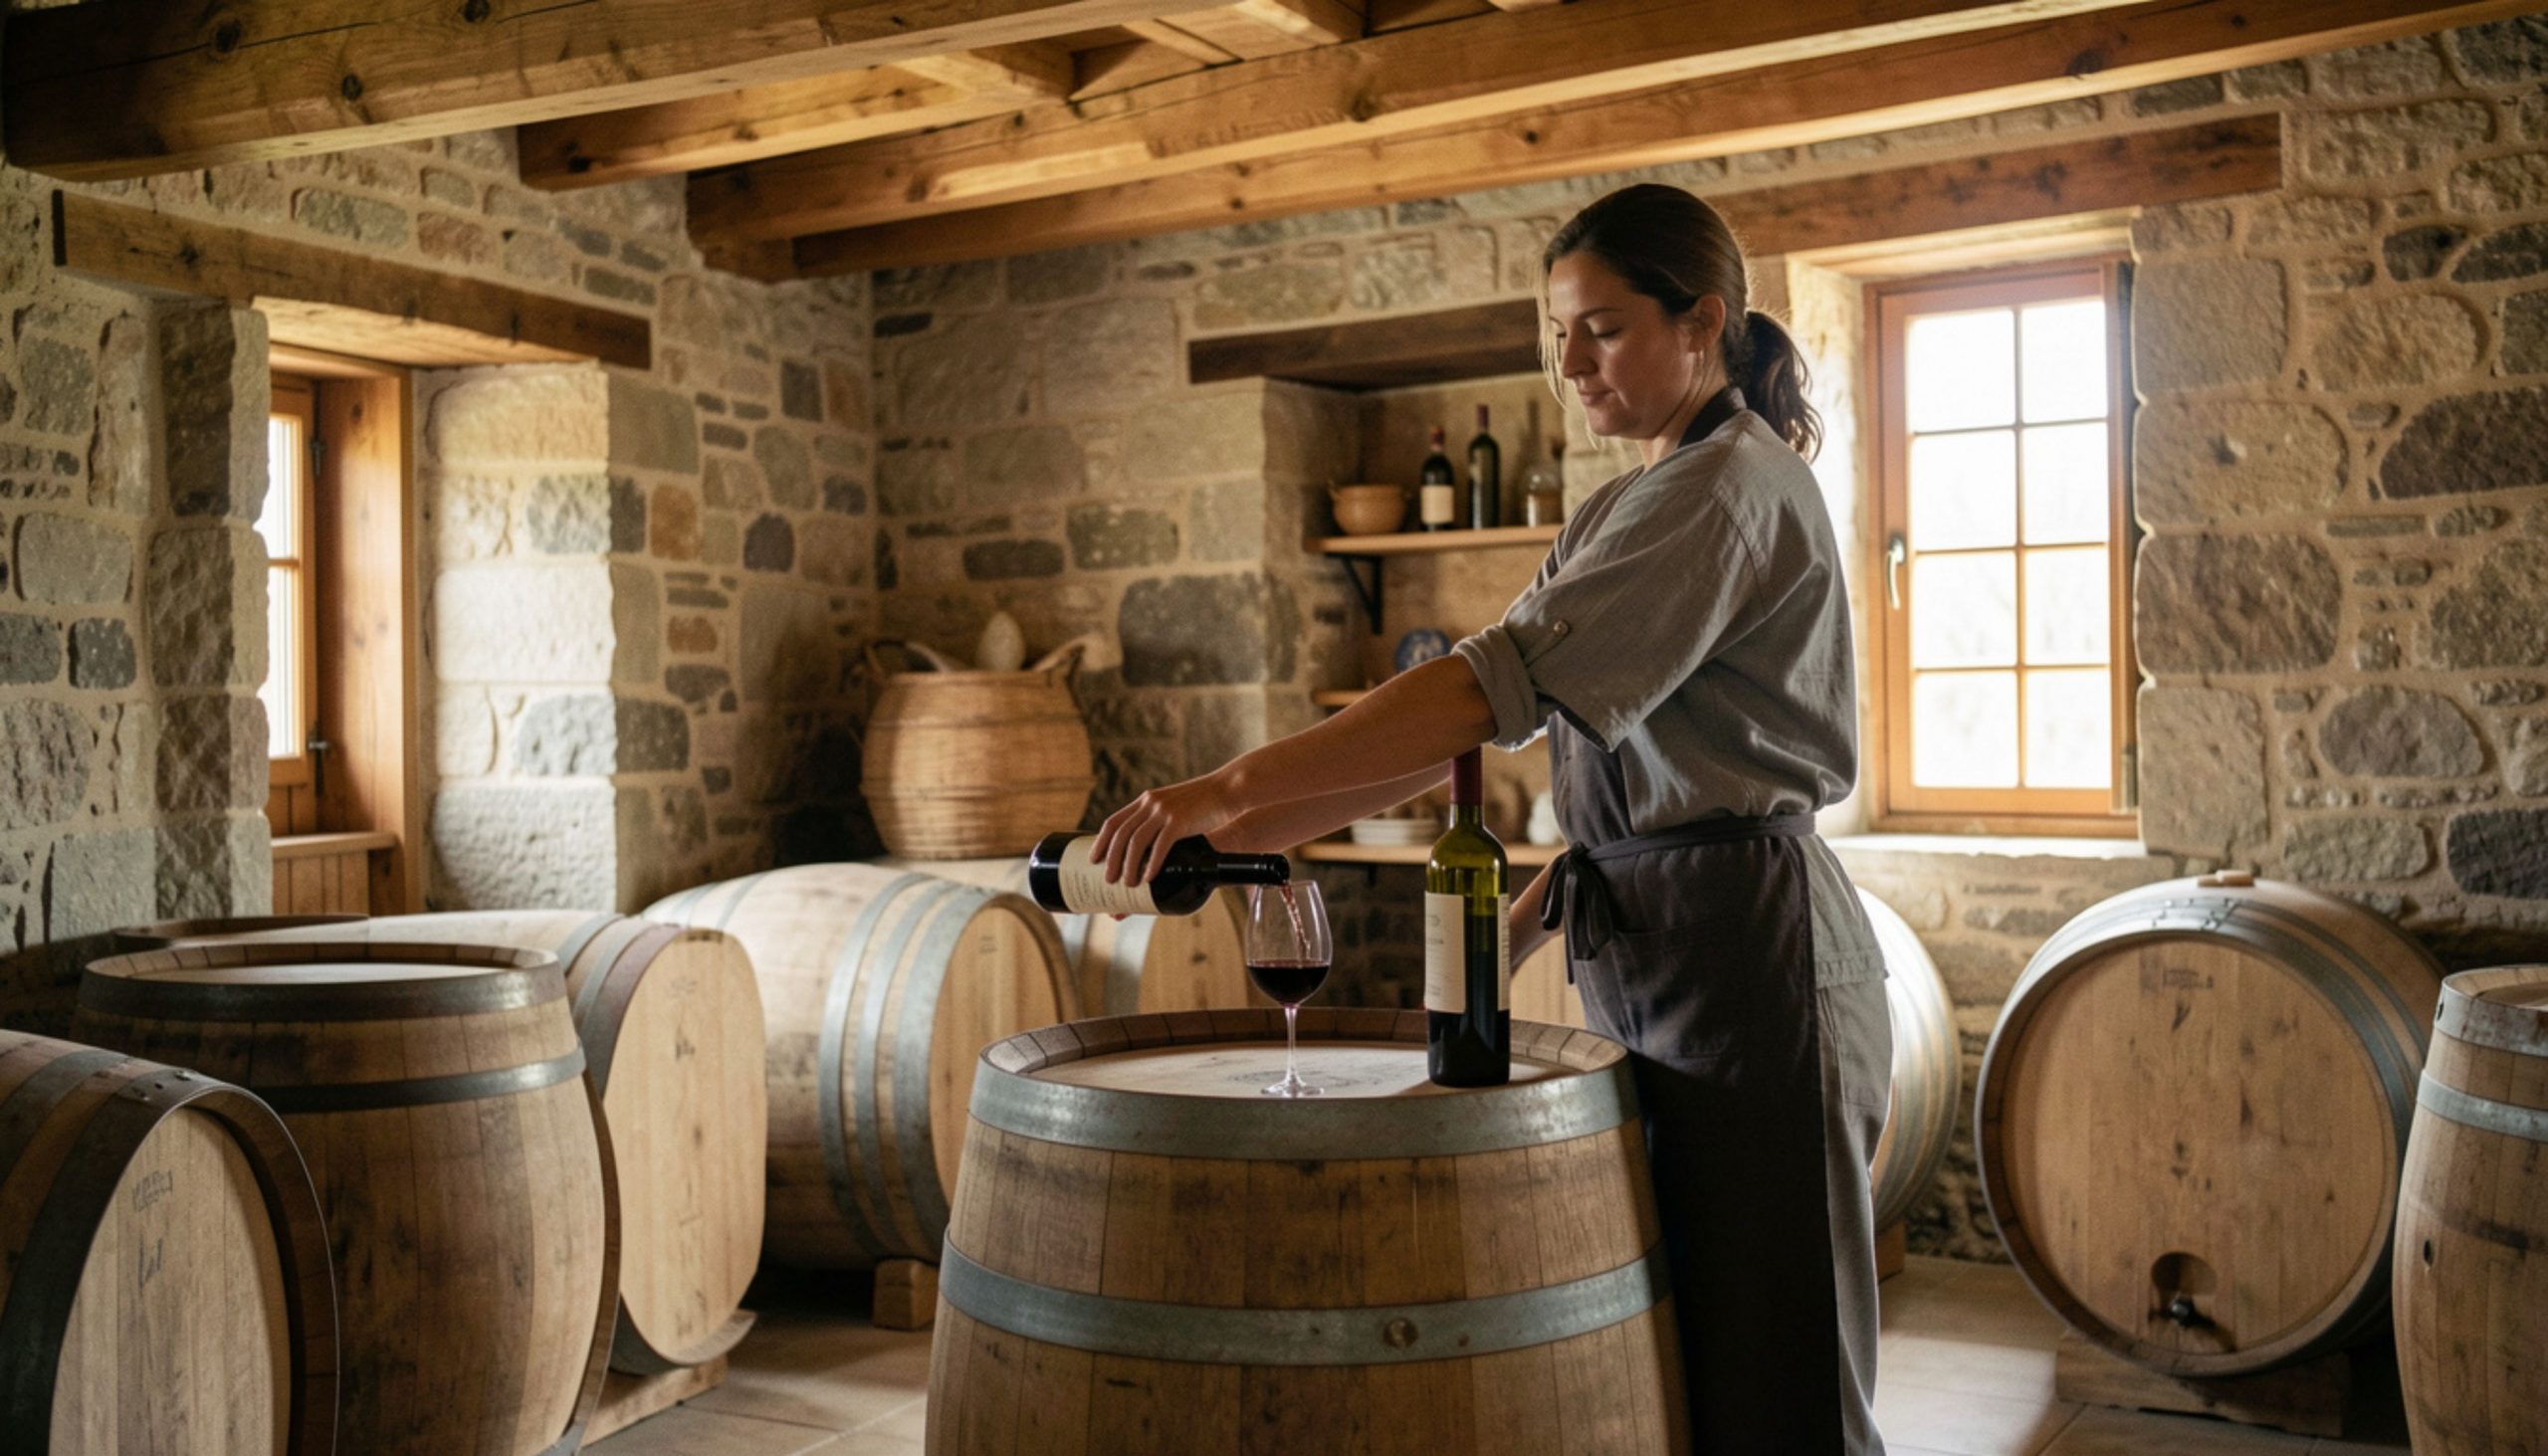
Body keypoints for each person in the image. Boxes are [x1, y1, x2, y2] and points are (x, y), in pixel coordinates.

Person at [1091, 181, 1891, 1454]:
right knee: (1687, 1352)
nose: (1570, 364)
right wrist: (1249, 827)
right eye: (1556, 330)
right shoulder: (1633, 497)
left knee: (1777, 1374)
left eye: (1606, 329)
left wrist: (1222, 789)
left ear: (1705, 323)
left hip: (1745, 949)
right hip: (1663, 938)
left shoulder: (1722, 487)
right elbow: (1468, 722)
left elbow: (1476, 690)